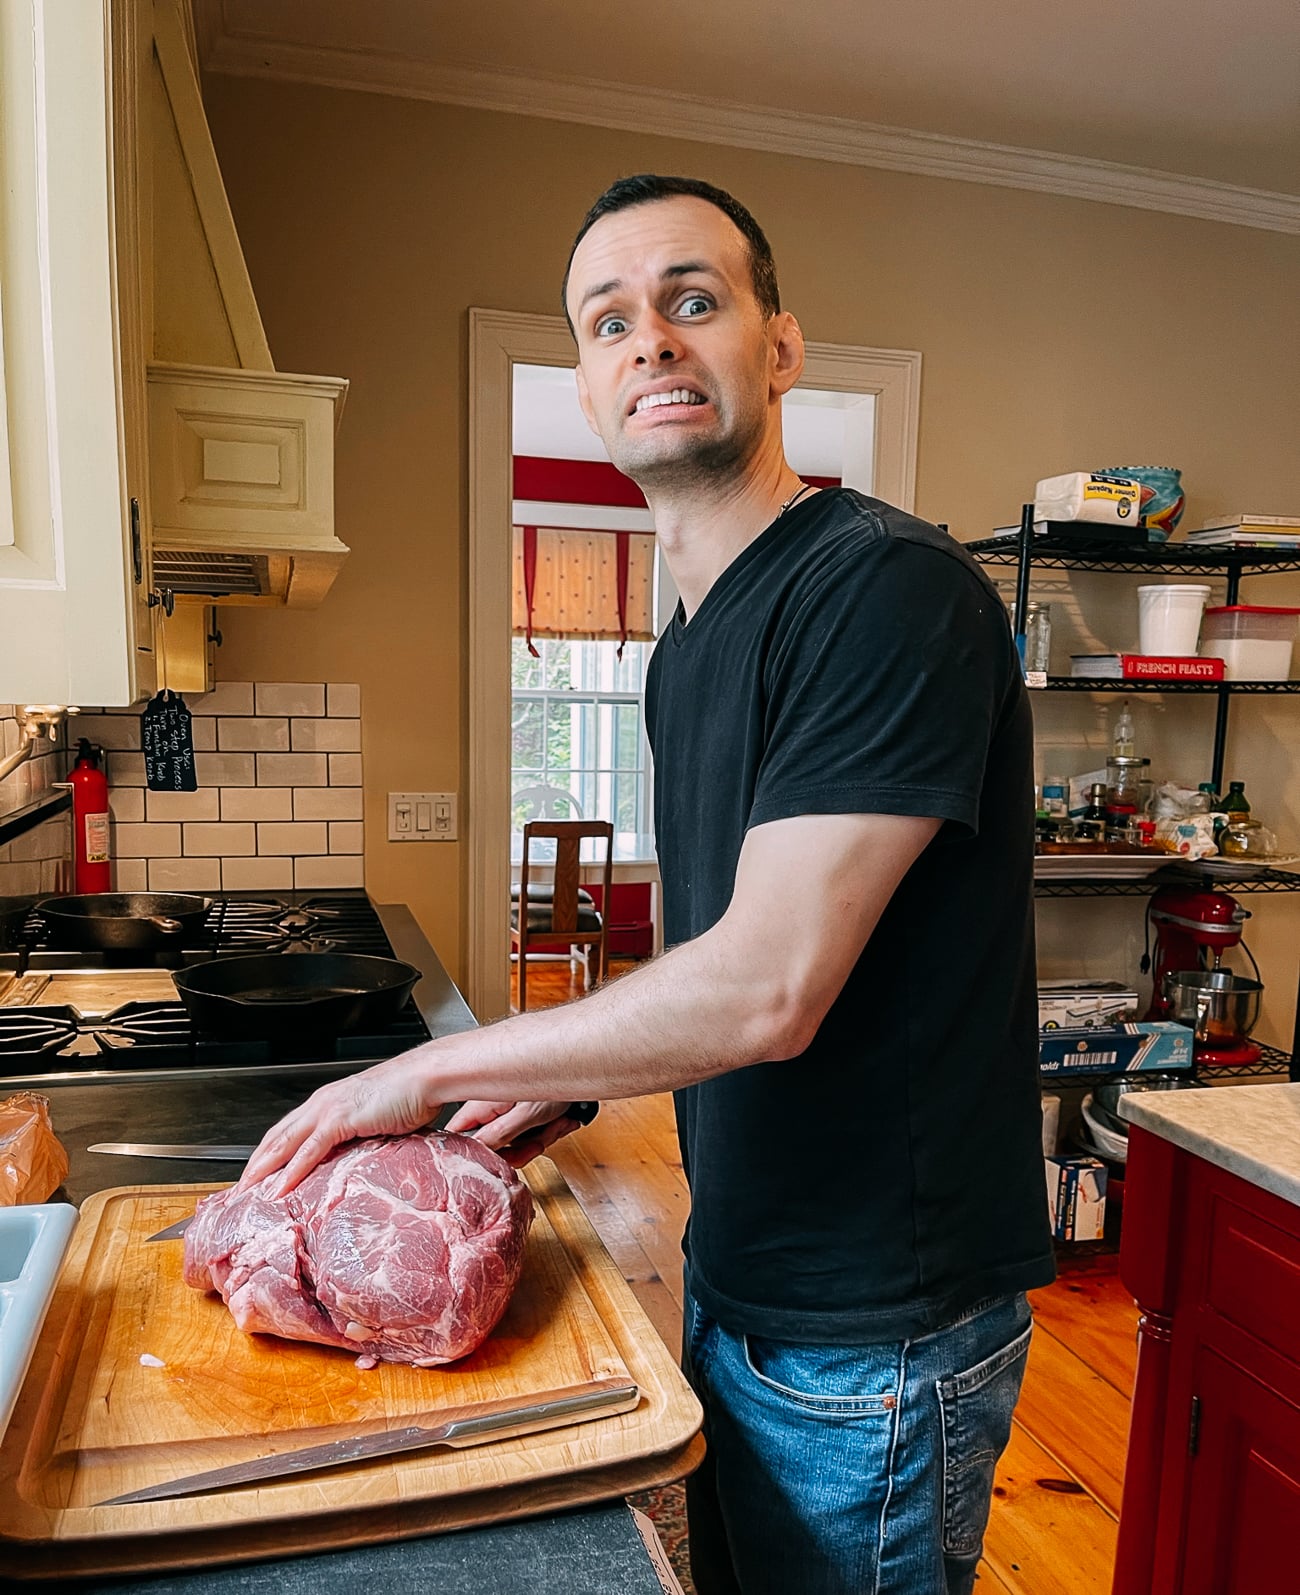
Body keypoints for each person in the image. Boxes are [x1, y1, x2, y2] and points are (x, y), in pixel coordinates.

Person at [239, 173, 1054, 1595]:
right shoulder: (687, 643)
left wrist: (425, 1078)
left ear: (779, 345)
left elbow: (772, 986)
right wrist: (574, 1077)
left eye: (693, 301)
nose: (652, 342)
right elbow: (731, 948)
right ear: (587, 382)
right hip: (749, 1272)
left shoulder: (886, 592)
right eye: (611, 321)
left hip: (879, 1325)